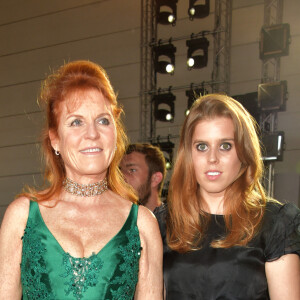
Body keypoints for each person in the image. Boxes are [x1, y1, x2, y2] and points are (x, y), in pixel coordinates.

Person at [0, 60, 163, 299]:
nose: (92, 133)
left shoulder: (143, 225)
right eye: (76, 122)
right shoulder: (22, 217)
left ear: (115, 133)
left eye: (103, 120)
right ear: (55, 139)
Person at [155, 93, 300, 299]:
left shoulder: (274, 223)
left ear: (243, 152)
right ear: (189, 155)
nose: (212, 158)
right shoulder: (163, 223)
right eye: (202, 146)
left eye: (225, 146)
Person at [120, 143, 166, 212]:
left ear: (155, 179)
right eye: (119, 171)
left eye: (132, 170)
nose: (121, 177)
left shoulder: (174, 221)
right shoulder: (116, 219)